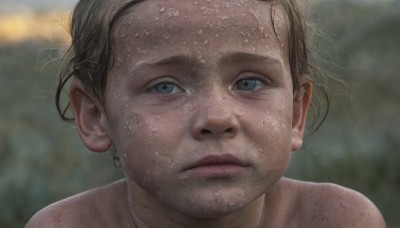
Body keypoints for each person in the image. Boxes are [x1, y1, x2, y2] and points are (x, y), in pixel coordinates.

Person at [26, 0, 386, 227]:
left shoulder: (337, 219)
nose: (216, 118)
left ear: (295, 114)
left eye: (249, 83)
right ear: (95, 116)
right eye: (164, 87)